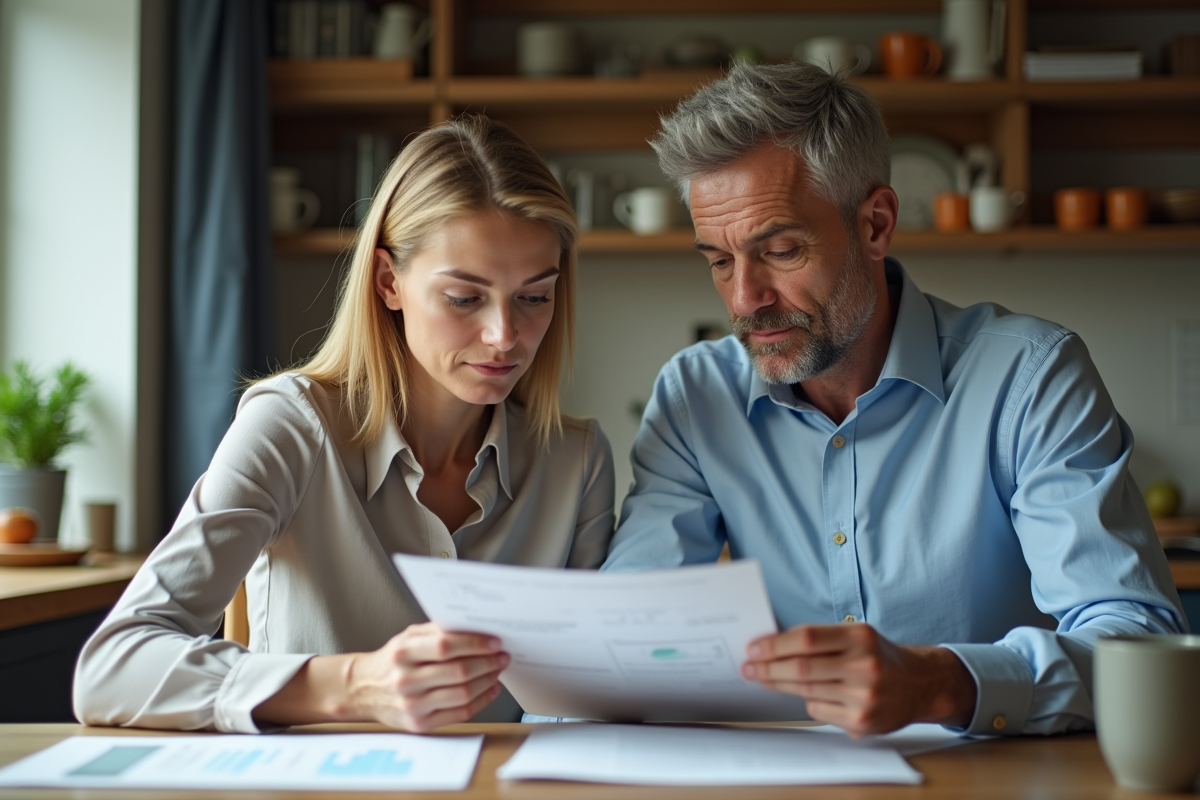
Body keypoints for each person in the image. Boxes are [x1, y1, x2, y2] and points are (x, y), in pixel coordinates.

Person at [603, 63, 1185, 738]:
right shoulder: (696, 397)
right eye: (718, 260)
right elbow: (626, 631)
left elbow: (1137, 643)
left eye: (782, 250)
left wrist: (942, 682)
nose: (743, 299)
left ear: (876, 224)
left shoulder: (1031, 379)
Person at [74, 116, 615, 734]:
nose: (504, 336)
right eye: (464, 298)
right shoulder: (292, 427)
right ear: (389, 282)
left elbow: (584, 705)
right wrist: (357, 687)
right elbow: (111, 668)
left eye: (534, 297)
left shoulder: (579, 462)